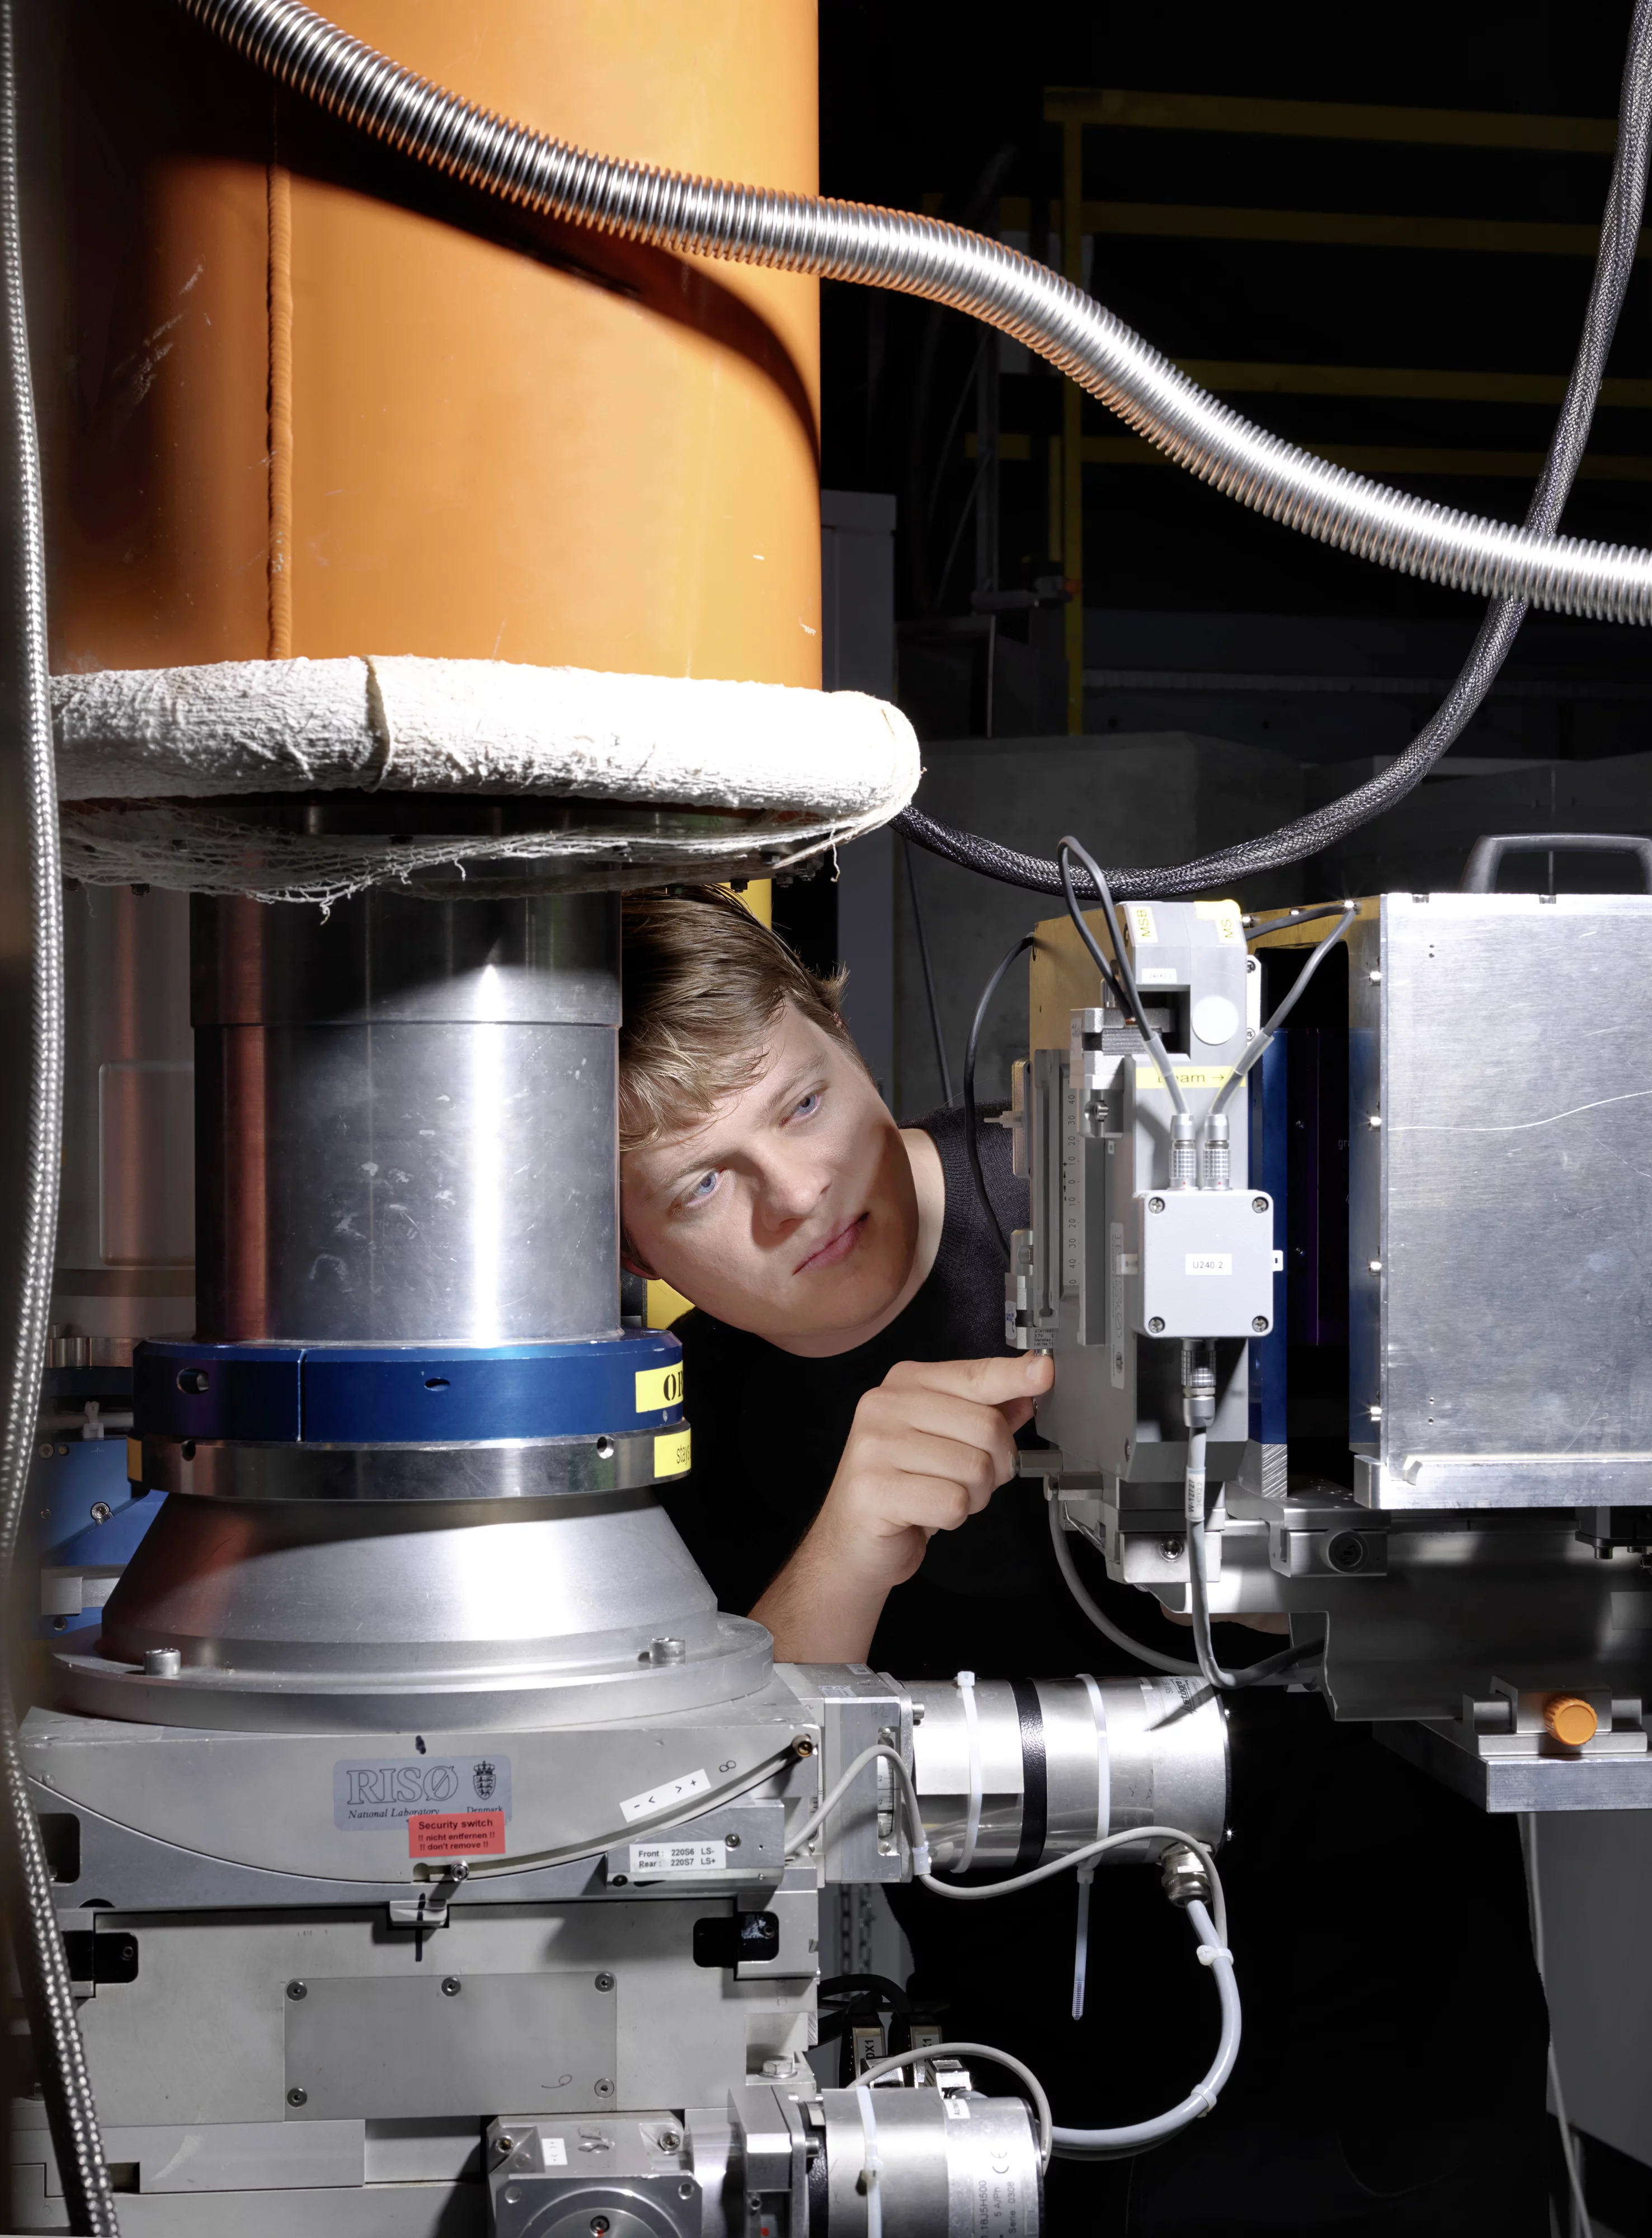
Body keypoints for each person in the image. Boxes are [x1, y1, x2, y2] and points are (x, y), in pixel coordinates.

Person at [618, 883, 1551, 2238]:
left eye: (800, 1102)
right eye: (701, 1184)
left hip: (1390, 2049)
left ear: (839, 1023)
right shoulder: (672, 1430)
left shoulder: (1126, 1174)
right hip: (1041, 2107)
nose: (798, 1193)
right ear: (631, 1242)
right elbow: (726, 1828)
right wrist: (852, 1546)